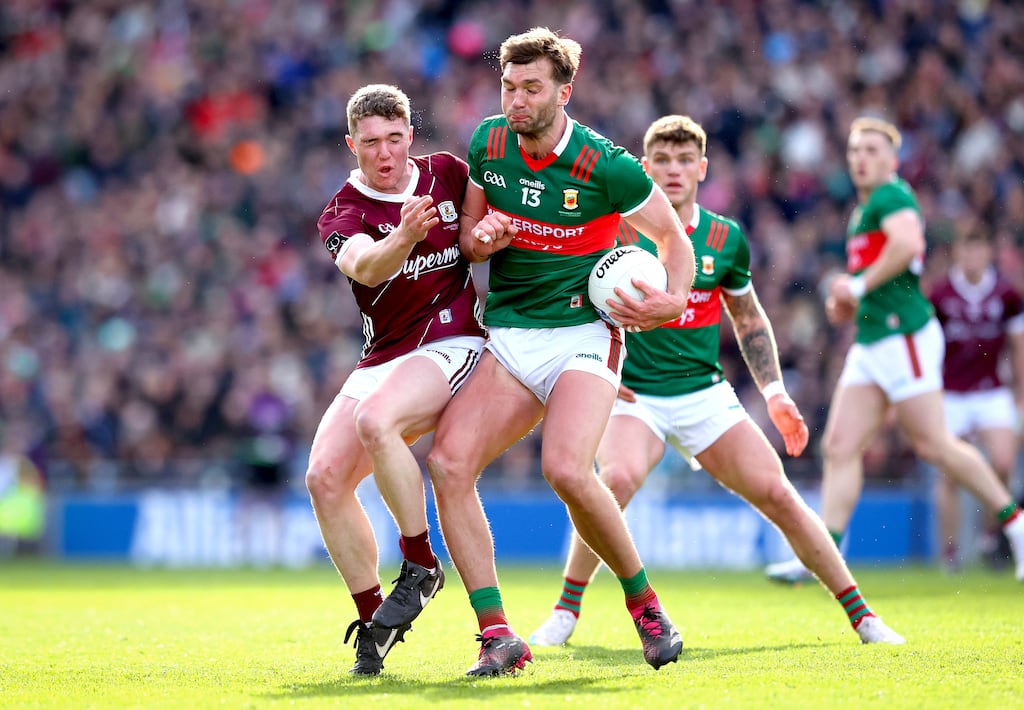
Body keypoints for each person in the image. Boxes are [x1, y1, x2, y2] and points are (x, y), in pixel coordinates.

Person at [528, 114, 904, 648]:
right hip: (633, 395)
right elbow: (574, 299)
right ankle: (565, 612)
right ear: (644, 166)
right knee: (615, 480)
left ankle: (864, 618)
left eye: (685, 160)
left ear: (703, 168)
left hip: (702, 393)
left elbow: (748, 319)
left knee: (778, 493)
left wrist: (774, 394)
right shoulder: (615, 229)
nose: (673, 170)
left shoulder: (725, 238)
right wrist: (599, 369)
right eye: (662, 160)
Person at [425, 27, 696, 676]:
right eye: (508, 87)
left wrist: (673, 298)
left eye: (531, 89)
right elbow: (468, 237)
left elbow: (674, 237)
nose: (516, 100)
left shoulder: (609, 167)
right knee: (447, 462)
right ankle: (497, 636)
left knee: (567, 471)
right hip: (513, 336)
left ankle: (646, 606)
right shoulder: (488, 142)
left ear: (564, 92)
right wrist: (483, 238)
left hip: (584, 336)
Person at [765, 117, 1024, 584]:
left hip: (904, 335)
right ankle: (826, 557)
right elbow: (877, 279)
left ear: (892, 159)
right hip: (872, 342)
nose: (860, 158)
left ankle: (1016, 525)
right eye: (854, 151)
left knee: (935, 446)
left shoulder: (893, 196)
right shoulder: (861, 213)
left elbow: (908, 243)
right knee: (840, 446)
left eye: (871, 150)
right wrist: (845, 304)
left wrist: (858, 285)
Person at [304, 84, 486, 676]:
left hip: (451, 338)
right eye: (370, 143)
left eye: (394, 139)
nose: (384, 154)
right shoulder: (344, 210)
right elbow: (363, 265)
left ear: (410, 134)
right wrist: (404, 236)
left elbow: (484, 231)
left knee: (376, 420)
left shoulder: (448, 173)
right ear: (350, 144)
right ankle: (374, 621)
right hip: (384, 353)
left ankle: (420, 562)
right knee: (324, 477)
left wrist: (489, 239)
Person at [929, 225, 1024, 572]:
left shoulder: (1006, 295)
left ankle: (988, 534)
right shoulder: (940, 295)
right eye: (967, 249)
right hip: (950, 392)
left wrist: (1021, 397)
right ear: (958, 253)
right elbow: (927, 348)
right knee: (949, 474)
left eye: (979, 248)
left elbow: (1018, 346)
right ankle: (949, 553)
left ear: (988, 253)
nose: (973, 256)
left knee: (1003, 463)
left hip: (990, 390)